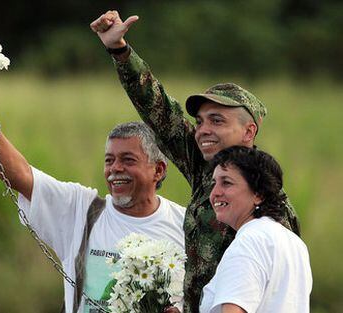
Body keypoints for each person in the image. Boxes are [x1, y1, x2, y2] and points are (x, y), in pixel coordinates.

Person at [90, 10, 301, 312]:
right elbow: (159, 109)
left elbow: (266, 293)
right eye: (200, 121)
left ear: (248, 131)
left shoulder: (268, 207)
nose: (203, 131)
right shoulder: (207, 167)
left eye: (217, 120)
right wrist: (119, 50)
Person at [0, 80, 186, 313]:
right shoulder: (83, 209)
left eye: (128, 160)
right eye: (109, 160)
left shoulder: (186, 224)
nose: (115, 169)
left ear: (158, 170)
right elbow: (23, 177)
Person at [199, 146, 312, 313]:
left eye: (226, 183)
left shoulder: (249, 241)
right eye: (214, 183)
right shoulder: (295, 243)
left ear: (258, 194)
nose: (214, 193)